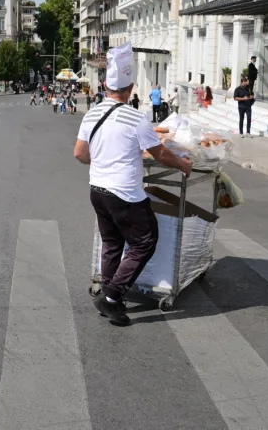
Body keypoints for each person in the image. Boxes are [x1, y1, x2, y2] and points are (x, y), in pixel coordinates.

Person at [74, 43, 193, 327]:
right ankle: (112, 296)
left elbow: (80, 153)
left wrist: (105, 159)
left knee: (113, 243)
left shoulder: (92, 113)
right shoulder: (136, 117)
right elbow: (160, 154)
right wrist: (184, 165)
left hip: (97, 190)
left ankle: (108, 292)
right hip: (124, 193)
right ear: (130, 88)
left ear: (104, 86)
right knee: (144, 241)